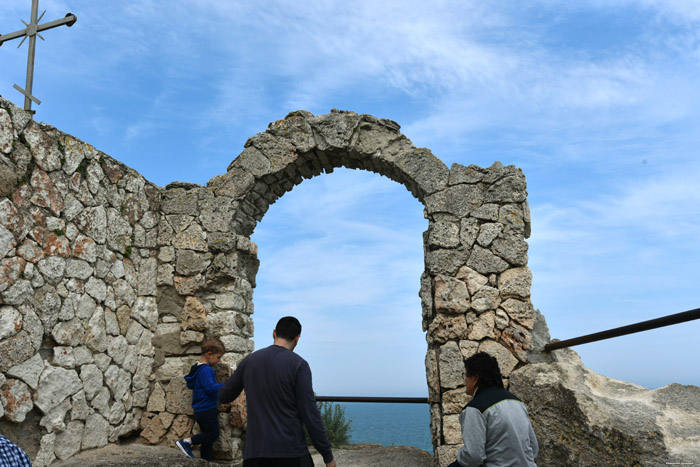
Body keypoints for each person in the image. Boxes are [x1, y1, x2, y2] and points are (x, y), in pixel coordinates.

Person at [219, 316, 336, 467]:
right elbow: (310, 413)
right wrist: (327, 455)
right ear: (297, 338)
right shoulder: (299, 365)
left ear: (274, 333)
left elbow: (224, 395)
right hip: (290, 452)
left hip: (255, 454)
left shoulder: (250, 361)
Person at [448, 352, 538, 467]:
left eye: (466, 376)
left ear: (475, 378)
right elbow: (533, 448)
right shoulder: (517, 402)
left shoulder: (475, 408)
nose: (465, 380)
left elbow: (473, 457)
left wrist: (459, 456)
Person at [176, 336, 225, 461]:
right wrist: (226, 385)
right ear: (209, 354)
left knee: (207, 440)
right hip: (207, 409)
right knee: (213, 434)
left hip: (199, 410)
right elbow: (210, 388)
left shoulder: (197, 369)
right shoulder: (206, 370)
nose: (219, 361)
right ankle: (187, 441)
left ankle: (205, 462)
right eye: (218, 357)